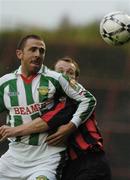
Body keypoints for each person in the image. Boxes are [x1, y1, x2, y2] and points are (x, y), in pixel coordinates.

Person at [0, 35, 96, 180]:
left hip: (46, 160)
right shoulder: (4, 83)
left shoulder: (57, 78)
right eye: (33, 50)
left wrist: (71, 126)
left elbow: (88, 99)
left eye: (42, 51)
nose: (38, 55)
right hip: (13, 159)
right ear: (20, 54)